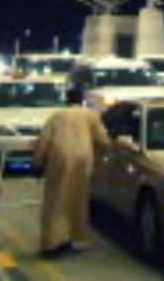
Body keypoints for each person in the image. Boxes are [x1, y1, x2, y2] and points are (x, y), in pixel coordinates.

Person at [34, 88, 111, 256]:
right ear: (82, 99)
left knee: (56, 199)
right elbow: (103, 141)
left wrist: (38, 161)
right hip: (83, 160)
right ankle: (73, 238)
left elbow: (44, 140)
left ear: (66, 99)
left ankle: (52, 242)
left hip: (60, 158)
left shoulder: (57, 116)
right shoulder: (91, 115)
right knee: (77, 200)